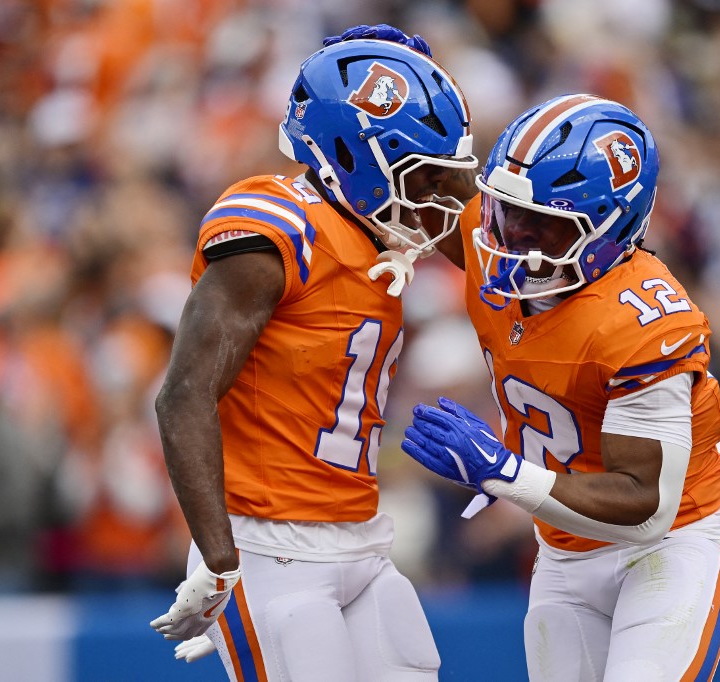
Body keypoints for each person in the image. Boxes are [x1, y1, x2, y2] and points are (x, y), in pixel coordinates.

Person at [150, 25, 477, 681]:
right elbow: (184, 394)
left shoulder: (371, 230)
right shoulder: (277, 226)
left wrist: (405, 86)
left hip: (360, 535)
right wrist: (220, 560)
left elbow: (489, 251)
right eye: (419, 172)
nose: (437, 191)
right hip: (270, 547)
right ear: (349, 157)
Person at [402, 95, 720, 681]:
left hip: (668, 545)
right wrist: (413, 89)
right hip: (563, 547)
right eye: (509, 213)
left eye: (547, 225)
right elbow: (417, 180)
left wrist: (505, 472)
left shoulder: (642, 324)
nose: (517, 239)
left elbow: (647, 506)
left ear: (614, 227)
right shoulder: (498, 244)